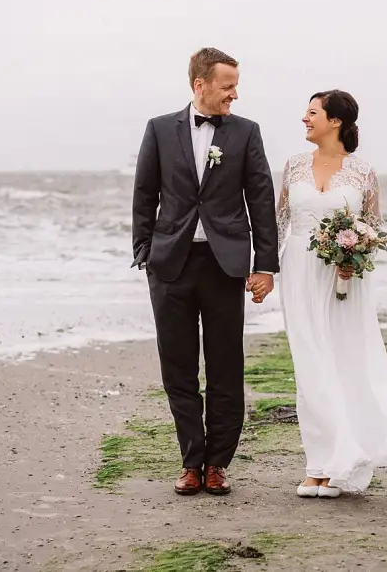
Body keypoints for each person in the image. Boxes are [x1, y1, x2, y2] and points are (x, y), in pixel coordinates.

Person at [266, 89, 387, 498]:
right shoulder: (293, 165)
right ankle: (318, 465)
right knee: (310, 364)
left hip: (345, 279)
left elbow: (372, 227)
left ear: (335, 120)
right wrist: (264, 270)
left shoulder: (362, 171)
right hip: (300, 272)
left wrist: (353, 255)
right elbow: (279, 222)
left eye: (311, 113)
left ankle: (342, 459)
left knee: (344, 361)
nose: (304, 119)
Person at [131, 47, 280, 496]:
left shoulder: (246, 133)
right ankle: (191, 461)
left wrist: (265, 265)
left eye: (235, 85)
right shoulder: (159, 129)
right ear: (201, 84)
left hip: (224, 266)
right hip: (170, 265)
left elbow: (261, 199)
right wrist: (144, 252)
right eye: (227, 85)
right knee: (177, 369)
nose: (235, 93)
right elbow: (144, 193)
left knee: (225, 369)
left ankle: (218, 463)